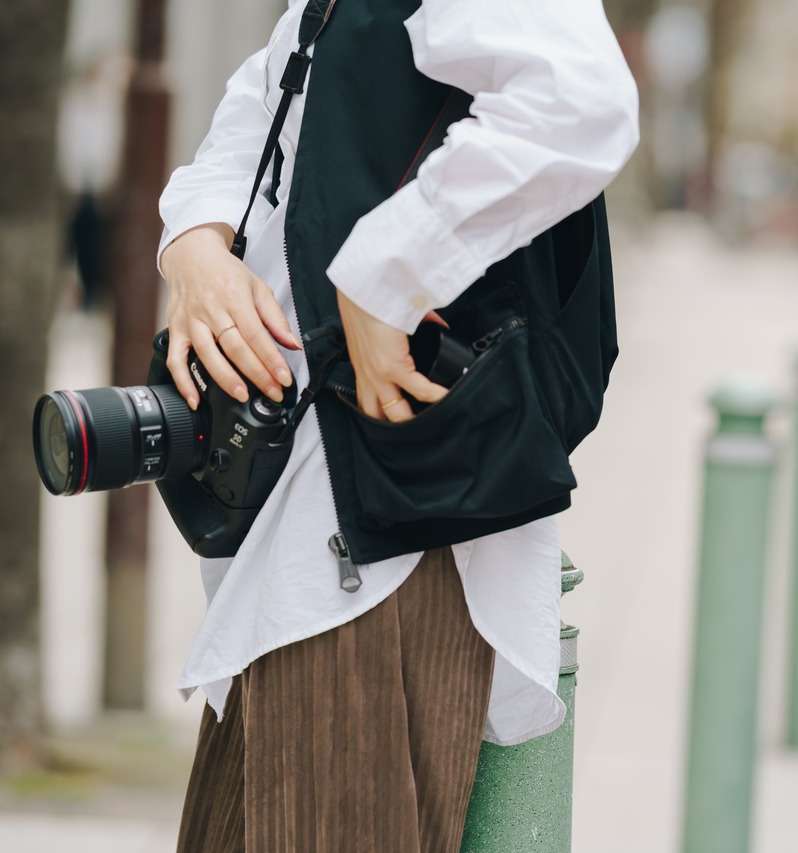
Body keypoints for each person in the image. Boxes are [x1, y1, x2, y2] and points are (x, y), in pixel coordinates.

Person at [156, 0, 638, 850]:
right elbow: (269, 103)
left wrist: (390, 271)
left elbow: (579, 99)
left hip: (380, 532)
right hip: (301, 514)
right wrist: (197, 245)